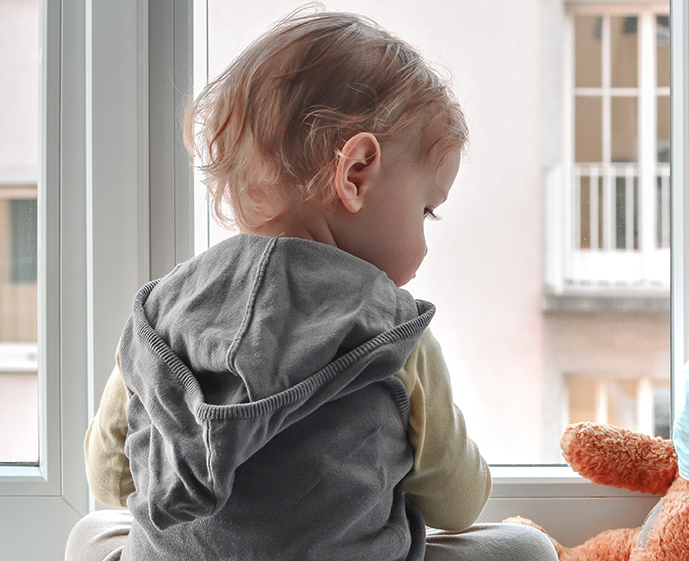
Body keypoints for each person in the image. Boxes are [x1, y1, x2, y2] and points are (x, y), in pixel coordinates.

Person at [64, 8, 558, 561]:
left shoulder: (161, 310)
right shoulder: (393, 329)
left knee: (92, 531)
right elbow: (455, 502)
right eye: (426, 210)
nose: (423, 243)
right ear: (355, 174)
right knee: (527, 547)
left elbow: (110, 479)